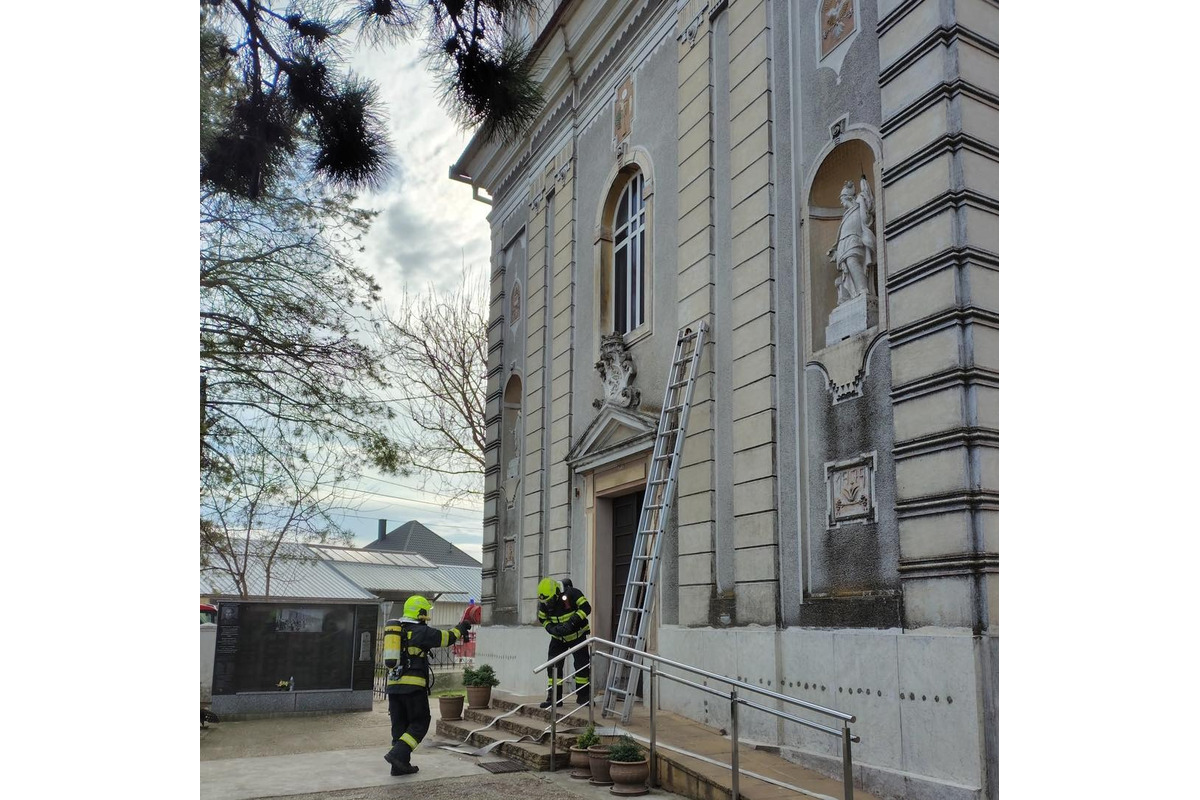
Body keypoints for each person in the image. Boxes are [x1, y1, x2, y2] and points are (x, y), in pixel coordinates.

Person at [382, 595, 471, 776]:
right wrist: (462, 627)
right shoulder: (421, 632)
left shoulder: (398, 631)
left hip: (393, 687)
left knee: (400, 726)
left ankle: (399, 767)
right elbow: (447, 638)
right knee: (420, 722)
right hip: (413, 688)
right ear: (420, 613)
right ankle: (397, 755)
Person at [536, 577, 592, 708]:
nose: (547, 604)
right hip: (558, 638)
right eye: (545, 601)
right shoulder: (544, 602)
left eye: (550, 600)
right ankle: (554, 698)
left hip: (577, 636)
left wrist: (572, 622)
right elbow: (542, 618)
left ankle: (583, 697)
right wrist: (551, 629)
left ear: (556, 592)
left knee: (582, 666)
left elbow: (586, 608)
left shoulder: (572, 593)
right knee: (553, 667)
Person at [826, 177, 877, 304]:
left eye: (842, 200)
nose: (841, 203)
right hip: (844, 243)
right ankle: (854, 294)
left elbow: (865, 220)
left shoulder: (858, 204)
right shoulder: (846, 215)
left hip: (855, 239)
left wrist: (863, 201)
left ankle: (863, 289)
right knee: (847, 268)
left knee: (852, 261)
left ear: (848, 198)